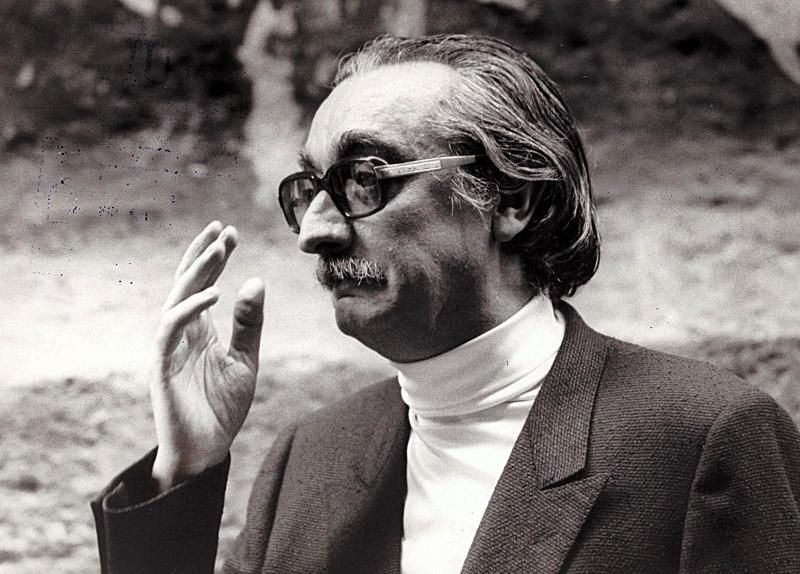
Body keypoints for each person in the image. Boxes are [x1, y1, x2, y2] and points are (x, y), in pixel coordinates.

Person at [92, 34, 800, 574]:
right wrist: (185, 469)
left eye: (366, 179)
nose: (315, 232)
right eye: (310, 190)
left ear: (512, 200)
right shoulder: (309, 457)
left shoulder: (700, 436)